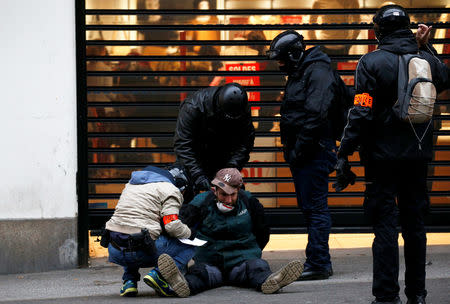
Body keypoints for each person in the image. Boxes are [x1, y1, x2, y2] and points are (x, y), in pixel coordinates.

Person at [334, 5, 449, 304]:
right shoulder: (425, 59)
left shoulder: (370, 62)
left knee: (385, 225)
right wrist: (427, 46)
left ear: (378, 31)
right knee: (415, 226)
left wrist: (344, 151)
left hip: (381, 159)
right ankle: (418, 295)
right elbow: (445, 78)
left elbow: (360, 110)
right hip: (419, 156)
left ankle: (386, 296)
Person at [152, 168, 304, 297]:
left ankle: (271, 281)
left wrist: (252, 252)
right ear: (215, 190)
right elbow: (179, 225)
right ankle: (182, 284)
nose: (229, 199)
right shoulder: (201, 202)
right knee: (198, 274)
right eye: (224, 194)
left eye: (233, 194)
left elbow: (263, 232)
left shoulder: (250, 202)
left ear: (239, 190)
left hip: (242, 264)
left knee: (258, 267)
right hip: (211, 265)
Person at [266, 30, 341, 280]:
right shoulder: (303, 71)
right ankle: (318, 259)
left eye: (282, 59)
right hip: (305, 152)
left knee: (316, 207)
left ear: (294, 55)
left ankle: (319, 262)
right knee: (310, 207)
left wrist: (299, 150)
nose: (279, 65)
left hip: (313, 152)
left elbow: (316, 115)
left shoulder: (317, 71)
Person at [102, 163, 196, 297]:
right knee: (189, 245)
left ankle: (129, 282)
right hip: (142, 251)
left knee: (130, 232)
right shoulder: (171, 189)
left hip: (114, 250)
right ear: (180, 185)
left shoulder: (131, 185)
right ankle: (159, 276)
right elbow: (172, 226)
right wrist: (190, 233)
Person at [174, 83, 255, 194]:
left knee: (235, 199)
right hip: (192, 162)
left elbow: (245, 143)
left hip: (223, 159)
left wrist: (230, 168)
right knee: (189, 201)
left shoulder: (240, 108)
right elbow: (183, 145)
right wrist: (198, 174)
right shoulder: (193, 106)